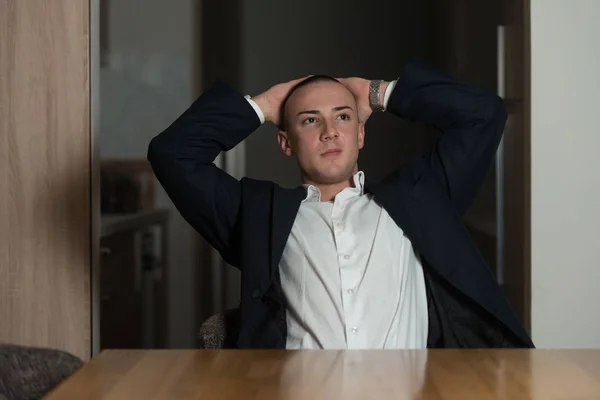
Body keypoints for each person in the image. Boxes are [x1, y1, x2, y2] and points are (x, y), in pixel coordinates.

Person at [147, 61, 534, 349]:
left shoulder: (422, 199)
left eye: (343, 117)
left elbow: (484, 115)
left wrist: (376, 93)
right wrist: (264, 105)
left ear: (360, 134)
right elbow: (172, 155)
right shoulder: (259, 216)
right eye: (310, 120)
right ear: (286, 143)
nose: (330, 131)